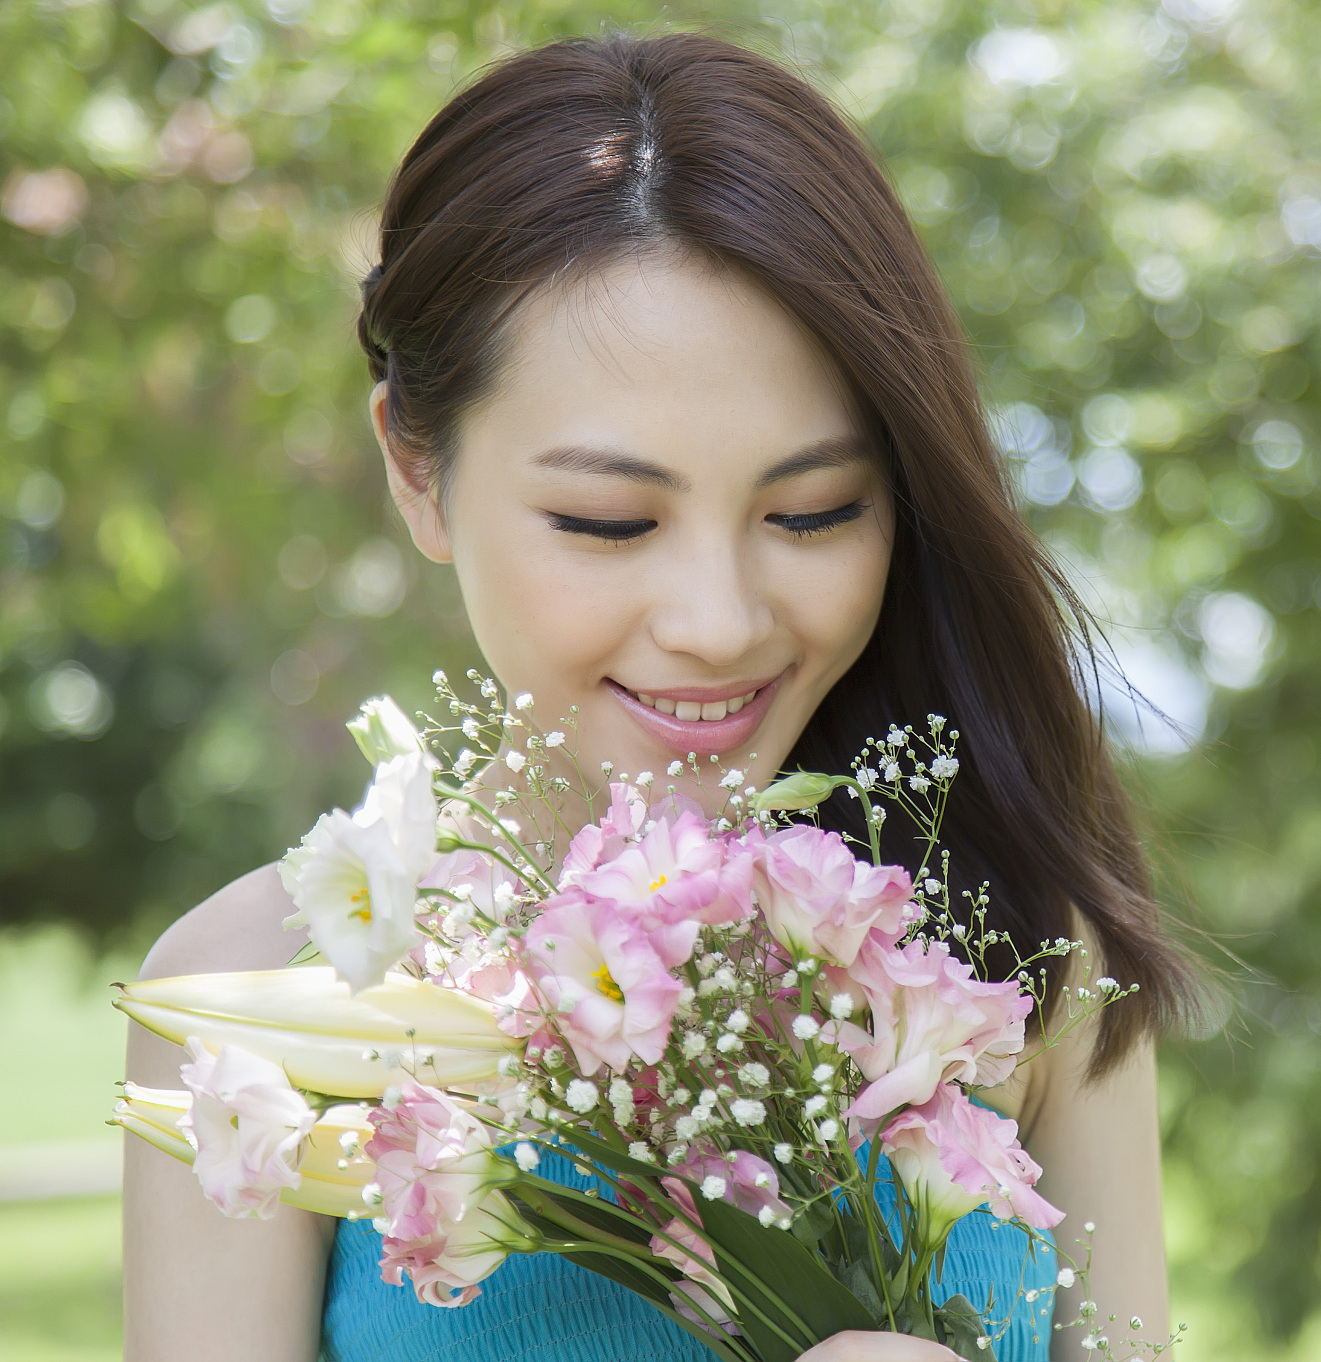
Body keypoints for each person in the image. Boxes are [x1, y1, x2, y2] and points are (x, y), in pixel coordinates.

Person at [124, 30, 1198, 1362]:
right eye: (611, 519)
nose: (719, 619)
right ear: (415, 464)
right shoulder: (246, 1005)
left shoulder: (1012, 954)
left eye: (813, 511)